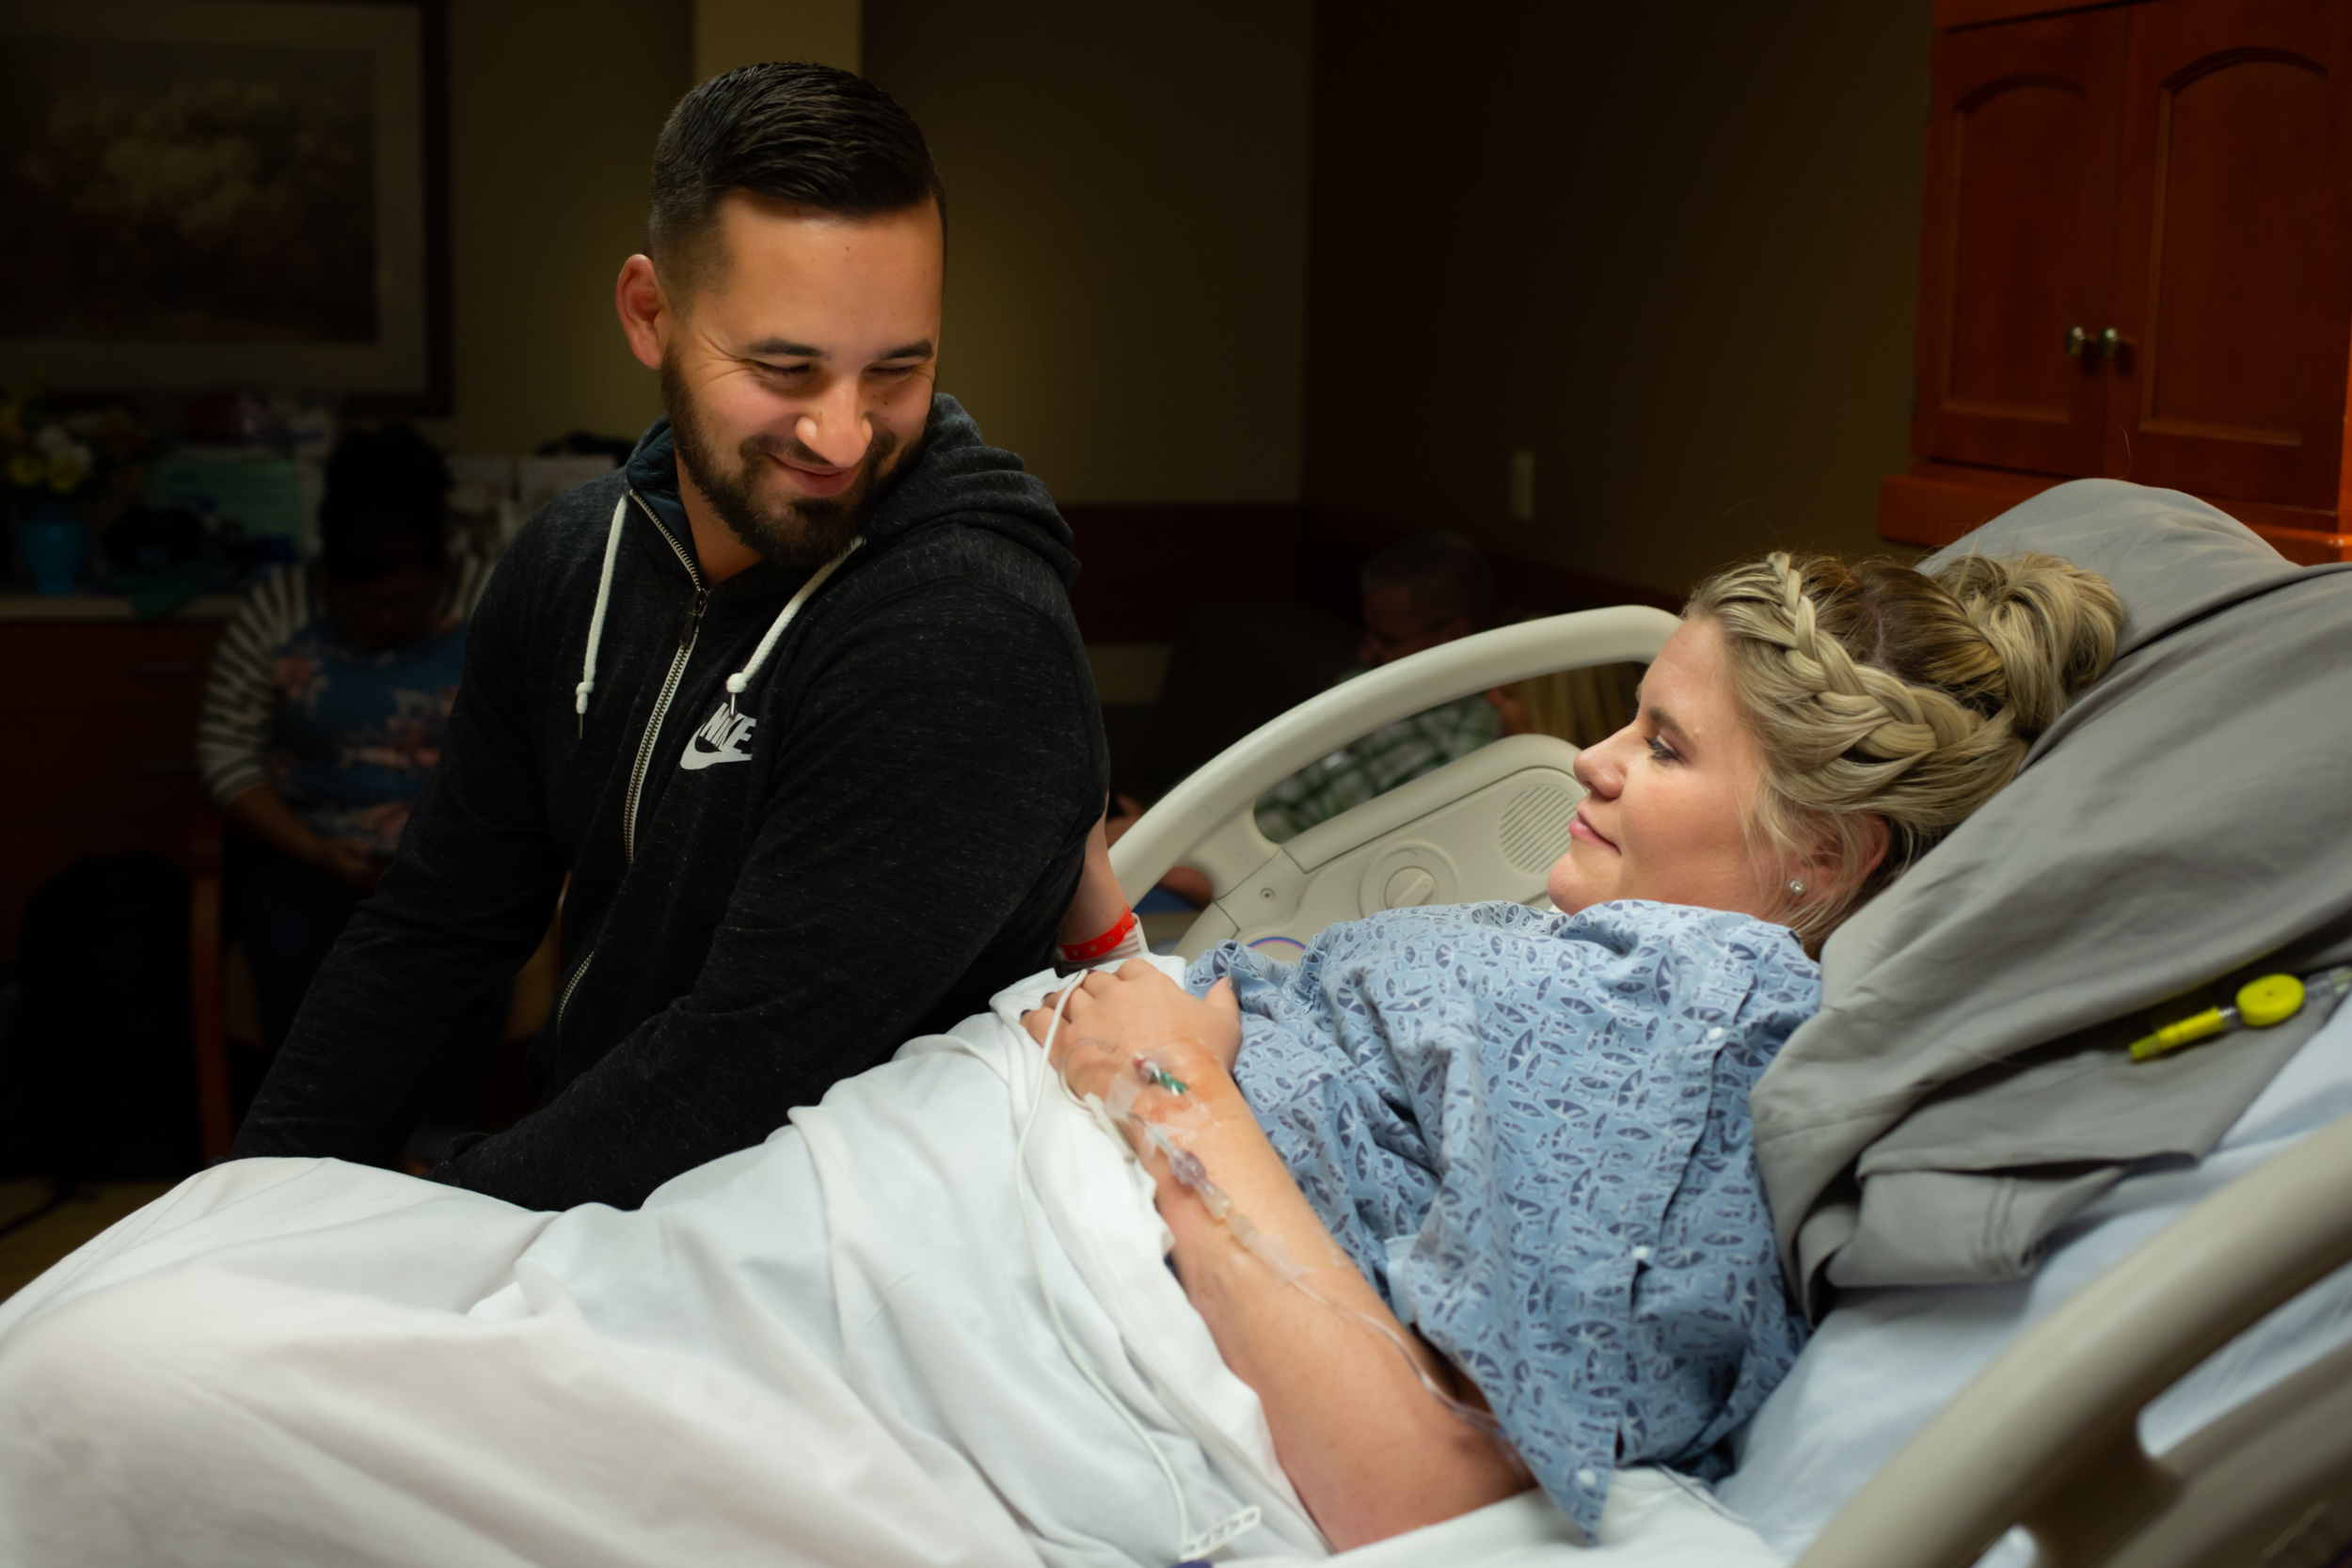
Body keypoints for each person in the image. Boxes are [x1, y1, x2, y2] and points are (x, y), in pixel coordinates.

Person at [0, 548, 2123, 1561]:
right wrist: (1114, 954)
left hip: (1042, 1294)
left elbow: (1423, 1480)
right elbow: (1384, 1149)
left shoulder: (1680, 1002)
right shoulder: (1633, 960)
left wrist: (1164, 1085)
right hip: (991, 1181)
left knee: (148, 1350)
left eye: (1657, 745)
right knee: (232, 1266)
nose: (1582, 759)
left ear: (1820, 849)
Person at [228, 63, 1110, 1208]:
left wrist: (445, 1224)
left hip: (858, 1242)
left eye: (898, 370)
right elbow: (439, 923)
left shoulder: (966, 620)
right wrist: (247, 1201)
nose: (841, 435)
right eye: (783, 367)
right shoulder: (568, 562)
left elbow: (744, 1065)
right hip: (625, 1203)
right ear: (650, 313)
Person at [195, 426, 497, 1081]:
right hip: (312, 851)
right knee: (297, 951)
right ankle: (325, 1154)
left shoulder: (494, 597)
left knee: (465, 953)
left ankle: (437, 1149)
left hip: (459, 859)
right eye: (363, 603)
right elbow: (225, 751)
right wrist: (314, 849)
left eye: (404, 600)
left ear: (440, 566)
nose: (385, 620)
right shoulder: (280, 607)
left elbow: (543, 748)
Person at [1123, 531, 1504, 910]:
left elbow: (1362, 886)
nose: (1365, 649)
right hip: (1188, 847)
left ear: (1453, 634)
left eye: (1384, 639)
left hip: (1231, 899)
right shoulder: (1365, 679)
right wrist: (1158, 832)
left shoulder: (1465, 743)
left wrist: (1191, 877)